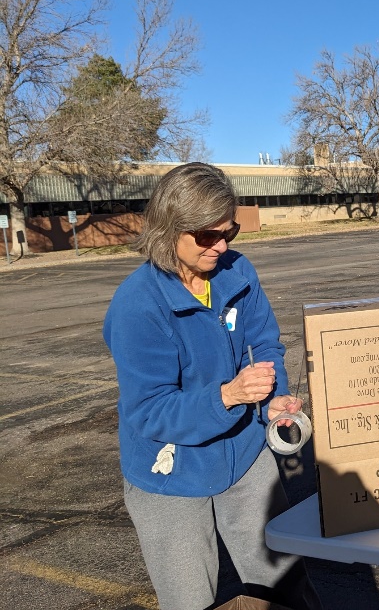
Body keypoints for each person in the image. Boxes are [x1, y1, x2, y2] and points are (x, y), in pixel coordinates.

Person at [103, 163, 322, 610]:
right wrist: (228, 395)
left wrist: (270, 397)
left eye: (230, 232)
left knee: (283, 581)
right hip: (171, 473)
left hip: (243, 455)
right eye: (207, 236)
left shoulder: (236, 271)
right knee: (189, 599)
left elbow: (264, 342)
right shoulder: (137, 306)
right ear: (169, 229)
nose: (221, 247)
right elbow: (150, 411)